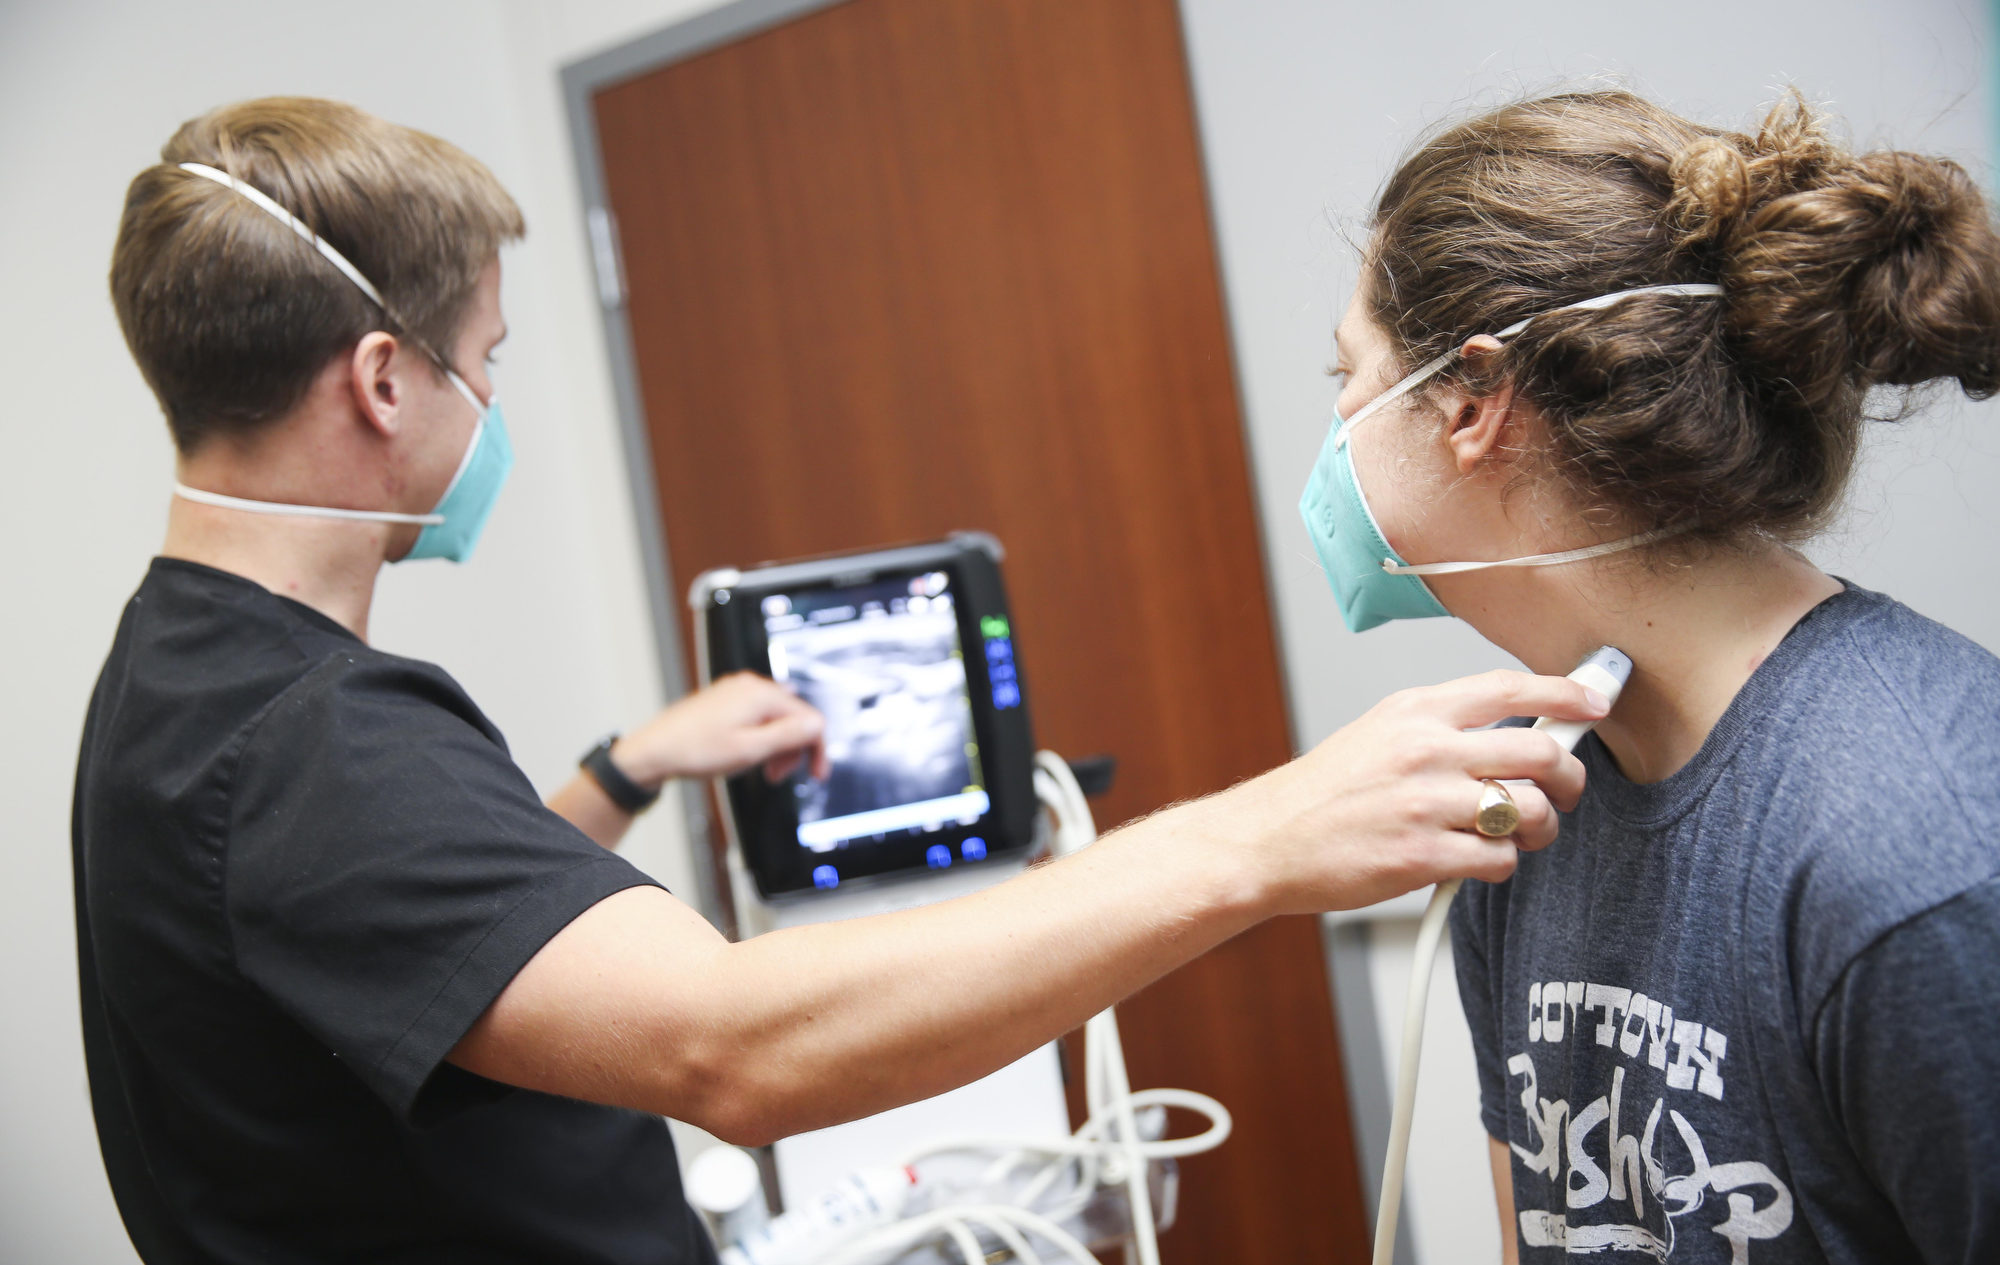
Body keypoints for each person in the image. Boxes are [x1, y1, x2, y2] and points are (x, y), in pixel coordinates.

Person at [75, 96, 1608, 1265]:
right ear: (385, 378)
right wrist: (1261, 838)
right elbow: (729, 1045)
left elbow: (399, 947)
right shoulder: (310, 739)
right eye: (487, 360)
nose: (492, 408)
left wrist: (625, 771)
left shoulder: (184, 676)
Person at [1302, 88, 2000, 1262]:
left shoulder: (1920, 864)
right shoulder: (1523, 801)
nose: (1335, 422)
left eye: (1351, 371)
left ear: (1472, 398)